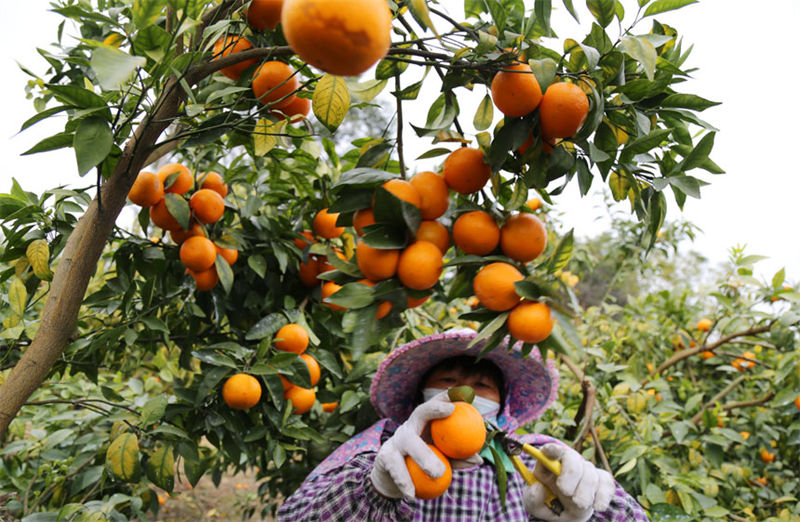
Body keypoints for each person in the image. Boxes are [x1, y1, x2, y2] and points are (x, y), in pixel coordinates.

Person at [277, 330, 648, 521]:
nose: (463, 396)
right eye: (448, 381)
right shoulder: (382, 447)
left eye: (481, 386)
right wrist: (376, 489)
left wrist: (587, 514)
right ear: (421, 394)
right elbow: (295, 516)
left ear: (502, 403)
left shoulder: (535, 458)